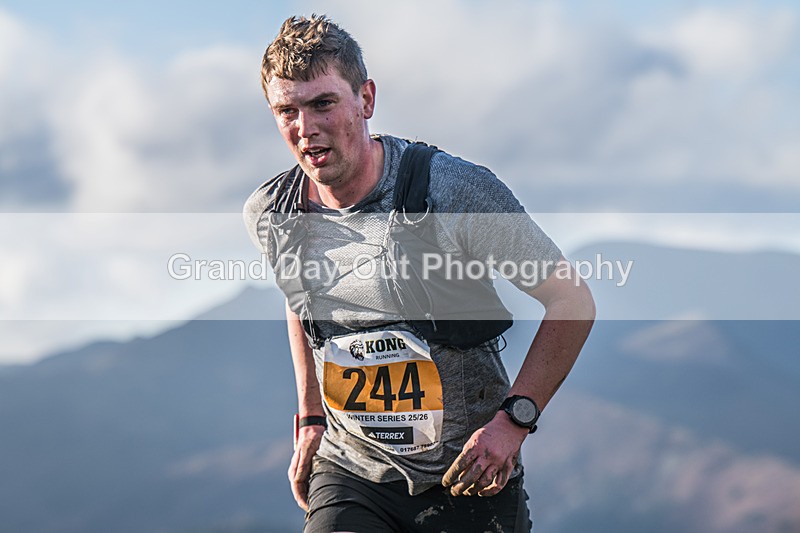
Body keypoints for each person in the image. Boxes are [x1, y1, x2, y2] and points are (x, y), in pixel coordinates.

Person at [244, 14, 595, 533]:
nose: (306, 127)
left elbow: (572, 302)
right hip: (352, 473)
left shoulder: (452, 193)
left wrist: (513, 421)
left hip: (466, 477)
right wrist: (311, 419)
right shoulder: (274, 214)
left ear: (366, 99)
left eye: (323, 103)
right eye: (286, 110)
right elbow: (300, 302)